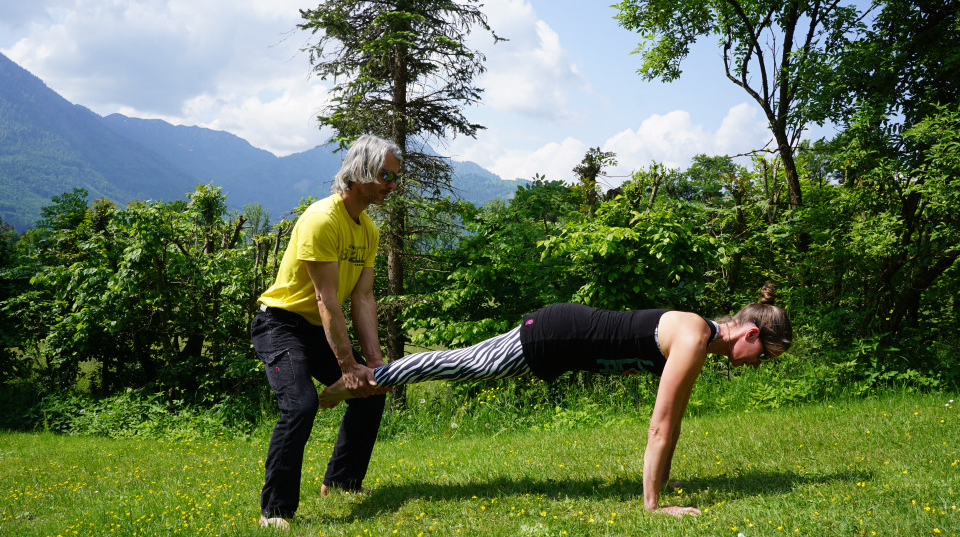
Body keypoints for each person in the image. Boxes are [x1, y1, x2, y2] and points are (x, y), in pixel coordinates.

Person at [317, 285, 792, 518]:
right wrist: (653, 505)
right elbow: (661, 425)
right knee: (459, 365)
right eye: (764, 355)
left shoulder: (699, 338)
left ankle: (366, 378)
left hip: (559, 341)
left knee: (460, 364)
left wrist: (662, 484)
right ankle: (360, 378)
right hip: (552, 335)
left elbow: (672, 424)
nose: (757, 364)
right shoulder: (693, 337)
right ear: (750, 333)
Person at [250, 135, 402, 529]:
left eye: (395, 178)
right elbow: (326, 299)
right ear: (360, 171)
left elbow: (364, 299)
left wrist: (373, 364)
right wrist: (346, 366)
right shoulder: (322, 220)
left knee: (371, 392)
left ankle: (341, 484)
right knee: (299, 405)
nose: (391, 184)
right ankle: (276, 511)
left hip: (316, 328)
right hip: (280, 325)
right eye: (386, 175)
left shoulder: (367, 229)